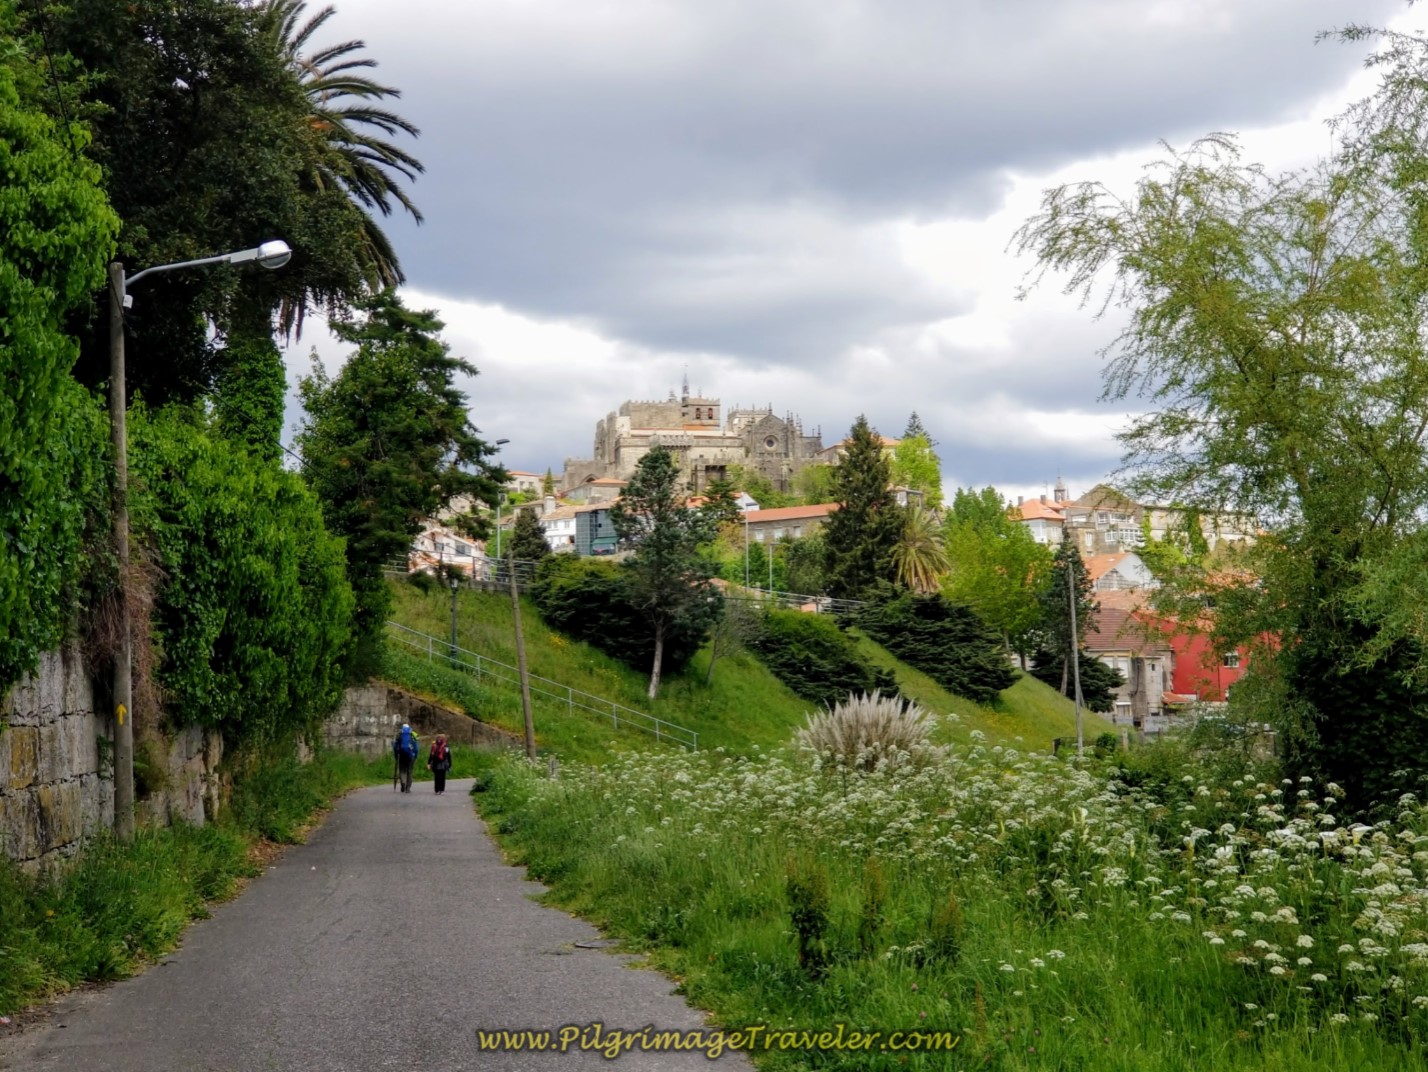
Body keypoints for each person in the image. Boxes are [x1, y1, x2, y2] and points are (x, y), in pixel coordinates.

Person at [393, 723, 419, 793]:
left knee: (402, 770)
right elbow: (416, 747)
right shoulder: (413, 734)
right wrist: (416, 755)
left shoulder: (399, 734)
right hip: (411, 755)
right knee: (409, 771)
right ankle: (408, 788)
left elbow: (395, 746)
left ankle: (403, 783)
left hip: (401, 755)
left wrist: (396, 755)